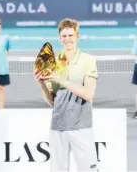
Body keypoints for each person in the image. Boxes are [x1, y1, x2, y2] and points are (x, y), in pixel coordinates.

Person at [34, 18, 99, 171]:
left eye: (70, 35)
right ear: (59, 38)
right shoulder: (53, 62)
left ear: (78, 36)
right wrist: (41, 83)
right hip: (58, 127)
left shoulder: (88, 60)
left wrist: (61, 80)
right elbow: (53, 102)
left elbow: (88, 94)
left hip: (81, 127)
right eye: (64, 36)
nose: (67, 39)